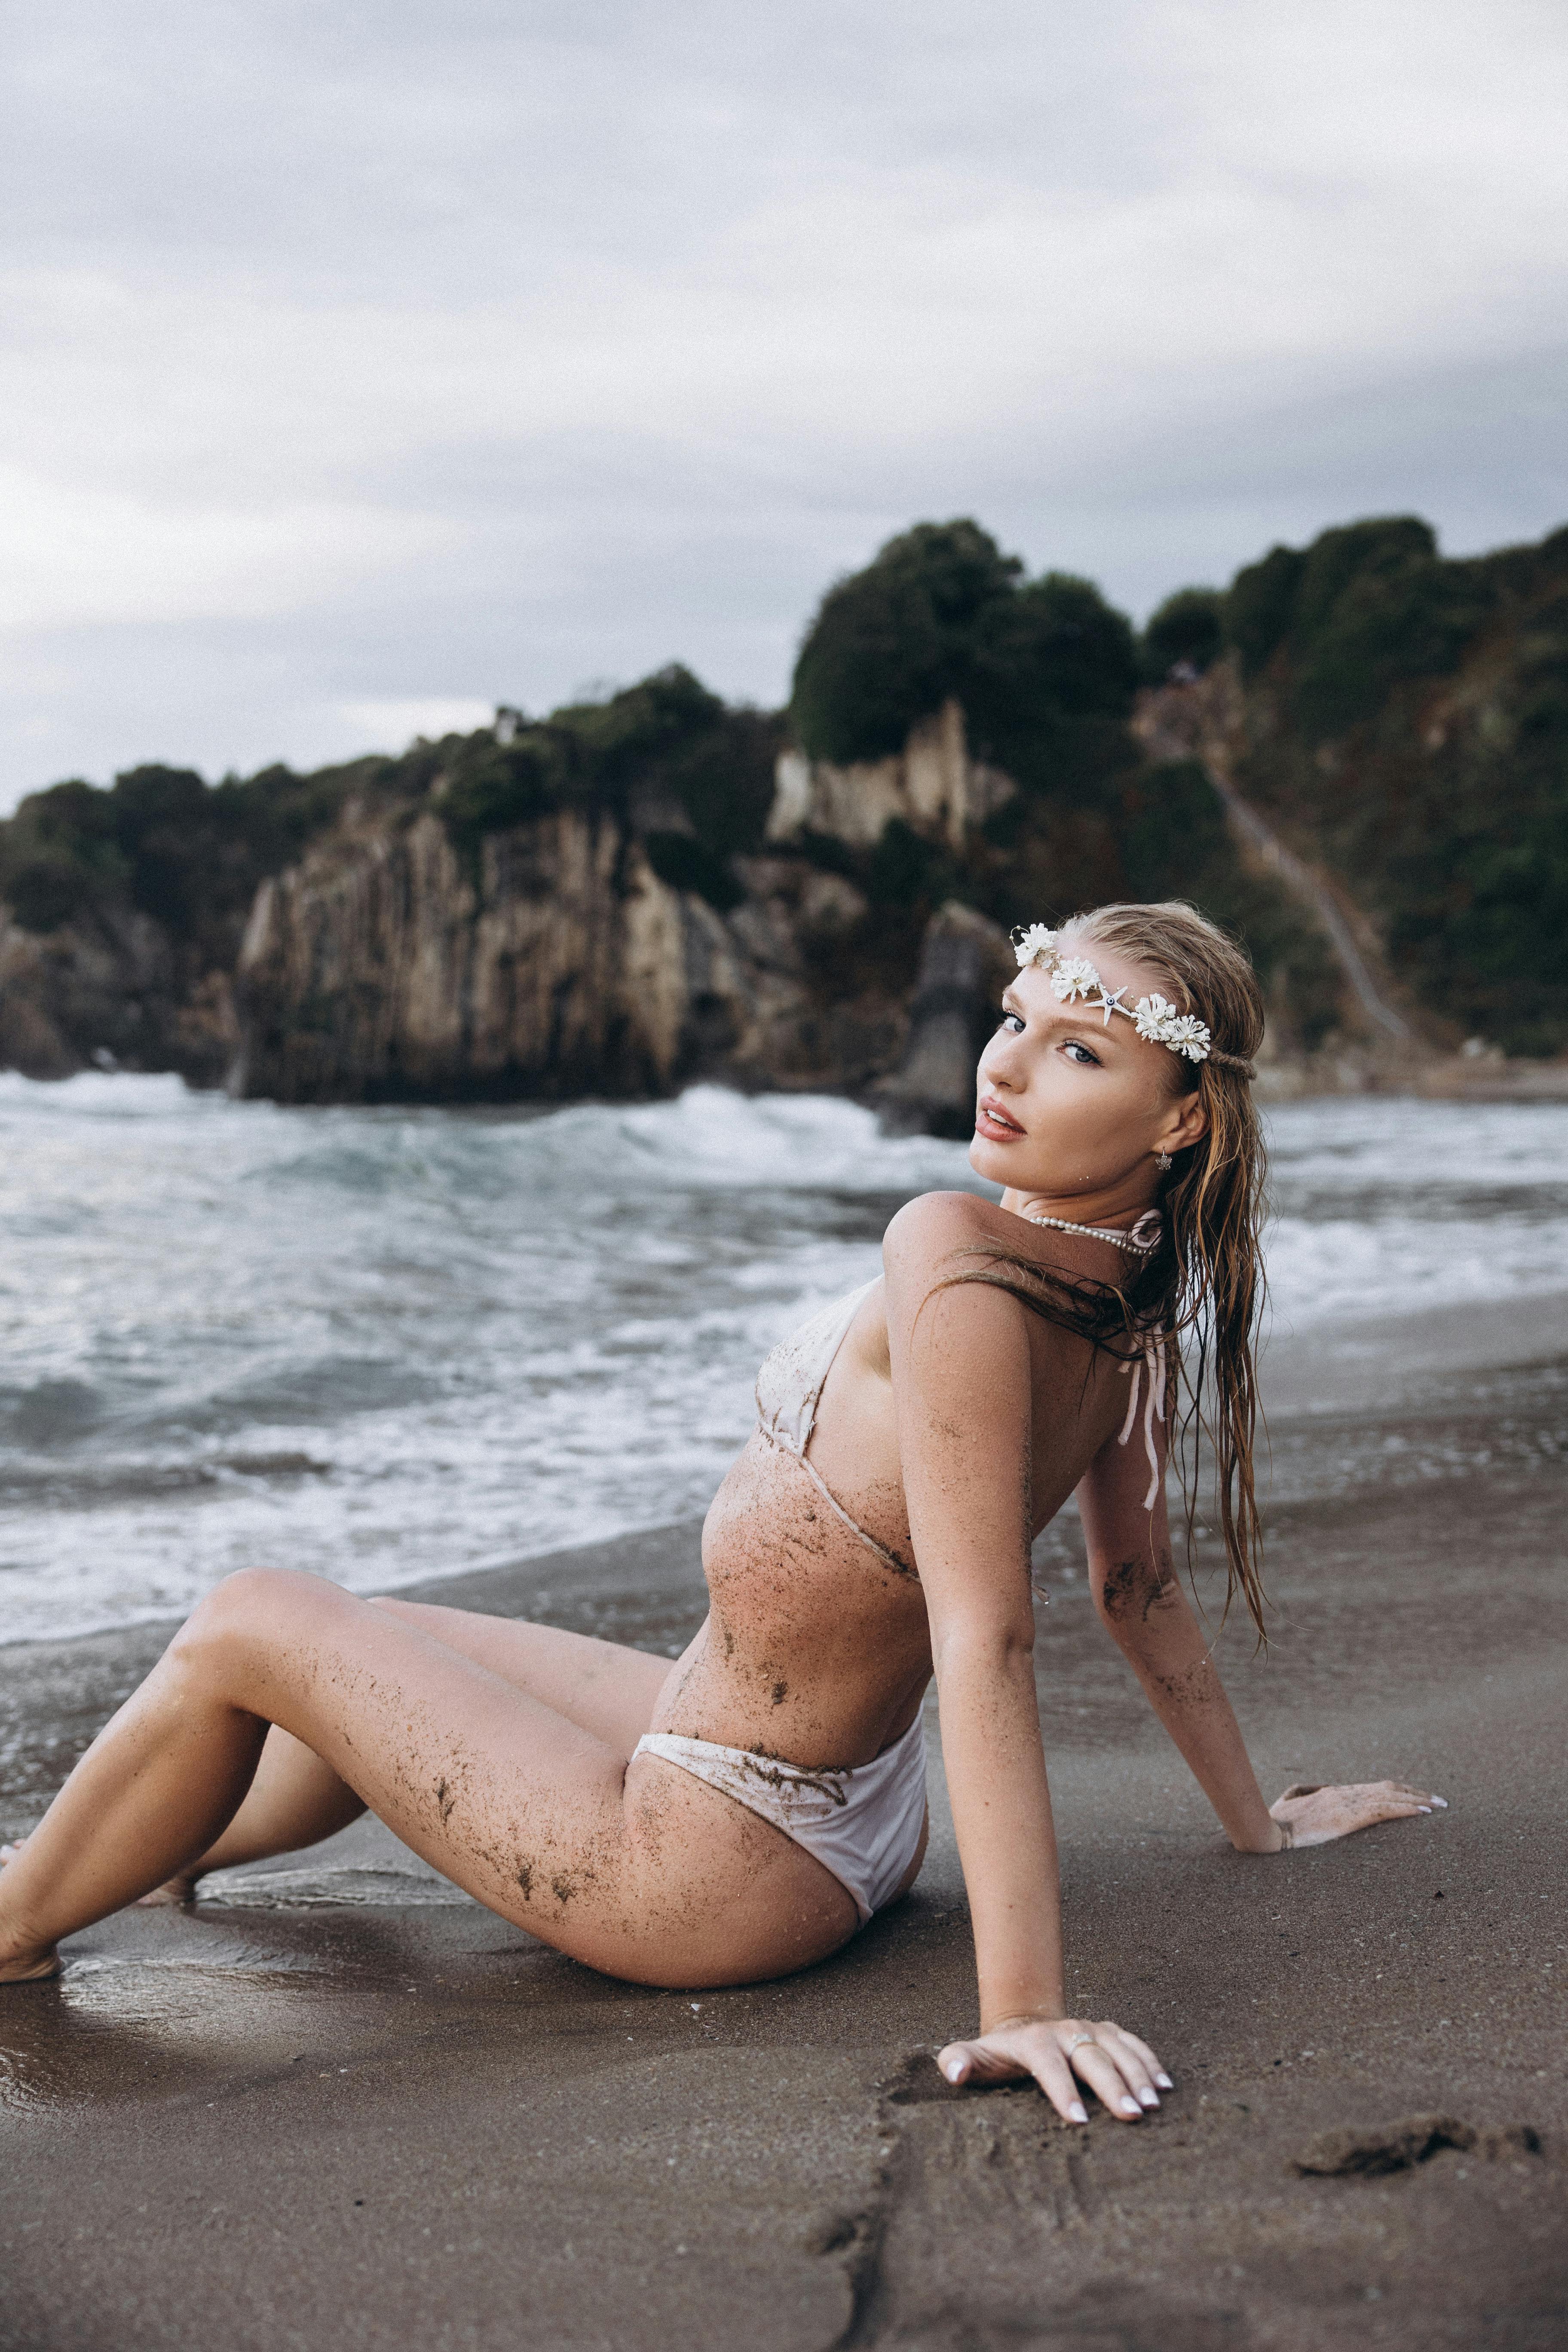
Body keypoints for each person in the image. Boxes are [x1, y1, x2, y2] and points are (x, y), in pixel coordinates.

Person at [0, 900, 1442, 2127]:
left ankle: (12, 1923)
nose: (1009, 1068)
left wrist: (1027, 2010)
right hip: (844, 1819)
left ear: (1181, 1117)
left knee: (253, 1613)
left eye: (1081, 1051)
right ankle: (160, 1849)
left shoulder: (952, 1253)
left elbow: (987, 1637)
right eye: (1016, 1022)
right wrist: (1253, 1824)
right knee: (358, 1644)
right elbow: (1140, 1593)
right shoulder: (1125, 1299)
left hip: (707, 1867)